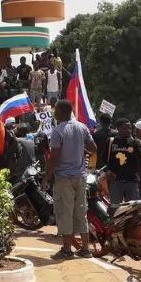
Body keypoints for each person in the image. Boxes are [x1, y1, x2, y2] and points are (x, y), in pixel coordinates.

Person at [41, 99, 95, 258]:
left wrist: (45, 179)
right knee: (81, 211)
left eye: (56, 111)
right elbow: (93, 148)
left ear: (63, 112)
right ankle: (85, 249)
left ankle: (66, 250)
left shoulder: (58, 131)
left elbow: (54, 158)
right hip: (80, 177)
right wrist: (79, 149)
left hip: (64, 178)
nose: (54, 114)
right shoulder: (82, 127)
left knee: (64, 212)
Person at [106, 119, 141, 204]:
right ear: (118, 129)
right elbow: (103, 159)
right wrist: (107, 170)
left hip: (132, 182)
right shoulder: (111, 142)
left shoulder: (135, 143)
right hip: (115, 183)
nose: (128, 130)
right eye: (125, 128)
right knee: (116, 210)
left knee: (132, 211)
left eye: (130, 128)